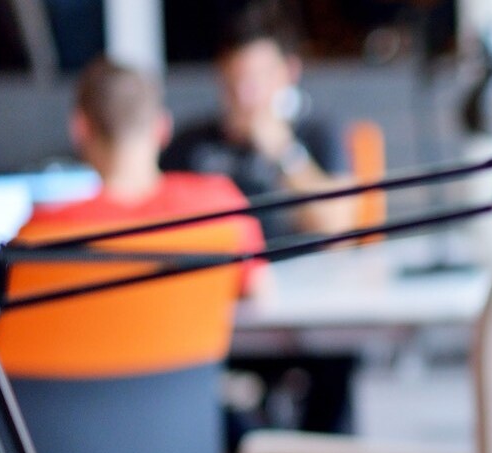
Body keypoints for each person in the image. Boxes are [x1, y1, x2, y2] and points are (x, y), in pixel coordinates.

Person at [21, 57, 265, 293]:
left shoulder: (40, 236)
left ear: (80, 129)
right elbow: (257, 292)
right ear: (163, 127)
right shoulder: (222, 206)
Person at [161, 1, 356, 238]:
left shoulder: (317, 131)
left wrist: (283, 153)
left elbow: (338, 227)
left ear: (289, 71)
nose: (243, 95)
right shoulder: (192, 143)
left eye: (255, 81)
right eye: (233, 82)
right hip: (220, 257)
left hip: (293, 259)